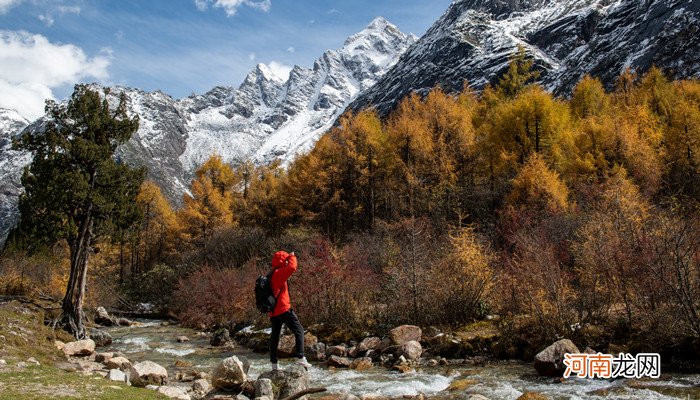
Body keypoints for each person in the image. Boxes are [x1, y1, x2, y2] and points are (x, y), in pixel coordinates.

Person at [268, 250, 311, 370]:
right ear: (283, 260)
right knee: (299, 330)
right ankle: (301, 358)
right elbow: (292, 267)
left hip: (274, 311)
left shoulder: (271, 273)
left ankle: (274, 364)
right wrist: (292, 256)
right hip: (283, 308)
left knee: (275, 336)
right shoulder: (279, 273)